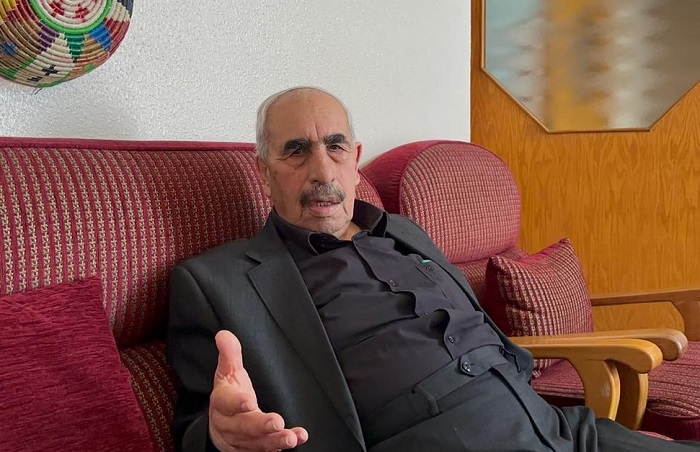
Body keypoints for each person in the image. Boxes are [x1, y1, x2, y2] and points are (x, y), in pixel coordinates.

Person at [167, 86, 700, 452]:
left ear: (356, 157)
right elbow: (201, 422)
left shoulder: (404, 230)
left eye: (335, 147)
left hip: (556, 424)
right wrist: (218, 436)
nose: (322, 170)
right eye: (296, 152)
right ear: (264, 171)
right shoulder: (218, 281)